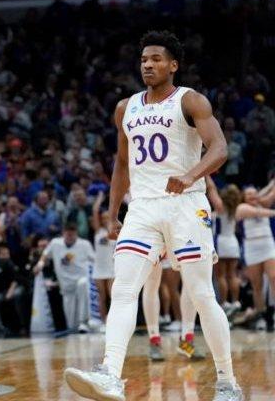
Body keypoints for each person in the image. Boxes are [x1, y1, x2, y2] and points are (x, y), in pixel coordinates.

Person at [63, 30, 241, 401]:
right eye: (144, 59)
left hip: (185, 205)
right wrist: (113, 213)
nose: (148, 64)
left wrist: (191, 175)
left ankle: (227, 381)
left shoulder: (190, 100)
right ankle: (110, 374)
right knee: (124, 289)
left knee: (201, 293)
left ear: (173, 65)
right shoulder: (125, 107)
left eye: (156, 59)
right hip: (142, 207)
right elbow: (122, 163)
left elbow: (220, 148)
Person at [35, 222, 95, 333]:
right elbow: (45, 254)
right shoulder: (55, 243)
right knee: (71, 325)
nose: (70, 237)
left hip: (80, 280)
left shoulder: (85, 244)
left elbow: (95, 260)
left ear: (76, 234)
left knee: (83, 284)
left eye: (72, 235)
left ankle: (84, 322)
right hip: (66, 286)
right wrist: (39, 265)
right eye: (68, 235)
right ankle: (75, 327)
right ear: (63, 233)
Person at [234, 181, 275, 330]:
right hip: (252, 247)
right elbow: (257, 213)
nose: (252, 196)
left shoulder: (263, 203)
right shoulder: (241, 208)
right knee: (257, 285)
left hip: (268, 244)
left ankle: (273, 314)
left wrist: (271, 184)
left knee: (273, 277)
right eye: (248, 194)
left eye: (254, 193)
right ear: (244, 197)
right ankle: (261, 315)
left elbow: (271, 194)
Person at [205, 178, 242, 318]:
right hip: (233, 242)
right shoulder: (236, 208)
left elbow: (212, 190)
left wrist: (207, 175)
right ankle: (236, 302)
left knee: (220, 276)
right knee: (232, 275)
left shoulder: (220, 207)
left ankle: (224, 302)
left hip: (221, 242)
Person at [91, 192, 114, 325]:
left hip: (111, 267)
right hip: (99, 267)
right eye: (103, 218)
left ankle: (113, 320)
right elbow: (95, 210)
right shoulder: (98, 231)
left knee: (112, 295)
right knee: (102, 296)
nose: (105, 219)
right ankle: (103, 321)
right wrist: (99, 198)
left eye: (107, 217)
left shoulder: (115, 232)